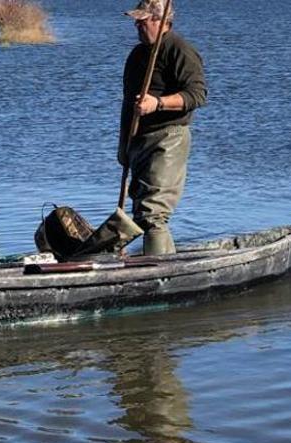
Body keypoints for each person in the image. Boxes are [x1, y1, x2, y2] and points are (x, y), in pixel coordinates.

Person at [118, 0, 207, 255]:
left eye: (142, 20)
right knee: (140, 213)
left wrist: (157, 103)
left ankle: (160, 276)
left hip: (169, 138)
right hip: (139, 139)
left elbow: (197, 95)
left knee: (152, 213)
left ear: (161, 20)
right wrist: (123, 146)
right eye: (136, 20)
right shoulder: (136, 55)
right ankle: (163, 263)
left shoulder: (179, 50)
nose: (136, 24)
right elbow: (128, 103)